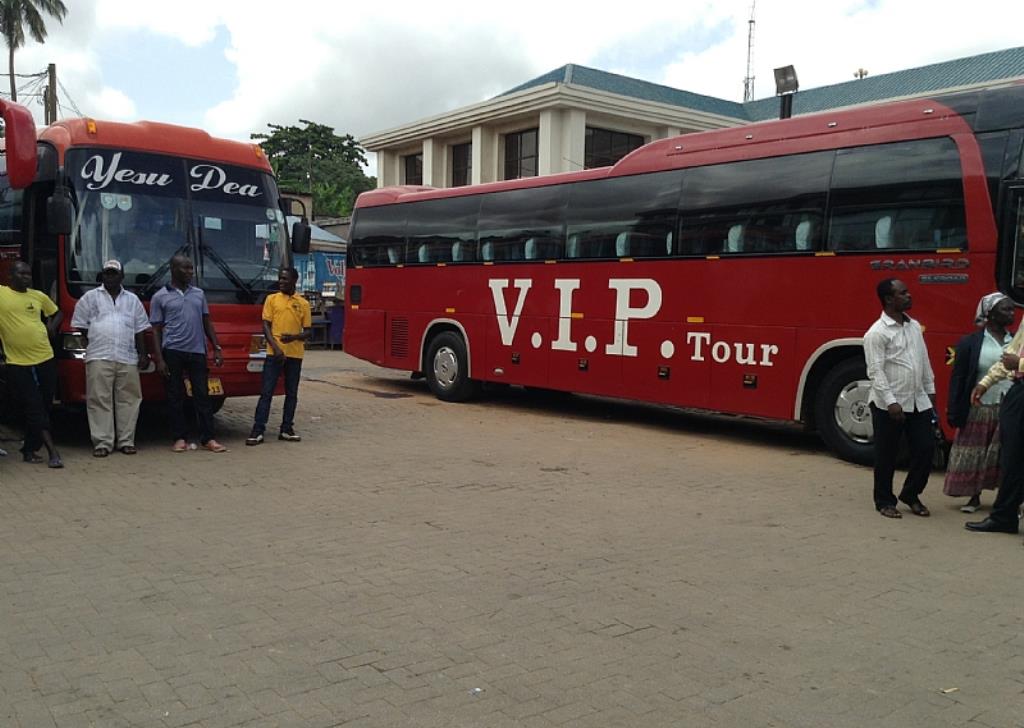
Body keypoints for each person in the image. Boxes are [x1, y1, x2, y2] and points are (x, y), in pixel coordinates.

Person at [863, 278, 936, 519]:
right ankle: (884, 501)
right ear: (888, 299)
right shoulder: (877, 333)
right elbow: (875, 370)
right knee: (887, 454)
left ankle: (911, 494)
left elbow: (923, 360)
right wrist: (890, 401)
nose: (908, 295)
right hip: (889, 404)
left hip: (918, 400)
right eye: (902, 293)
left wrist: (930, 391)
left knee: (926, 449)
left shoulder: (913, 326)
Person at [71, 259, 153, 457]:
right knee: (99, 400)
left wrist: (143, 354)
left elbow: (140, 329)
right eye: (107, 273)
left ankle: (126, 441)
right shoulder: (90, 298)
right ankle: (102, 443)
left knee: (129, 400)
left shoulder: (132, 300)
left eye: (113, 273)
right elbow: (81, 325)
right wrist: (97, 337)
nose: (109, 276)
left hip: (127, 356)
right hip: (99, 355)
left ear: (122, 276)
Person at [944, 293, 1015, 511]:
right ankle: (973, 496)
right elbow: (959, 378)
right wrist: (954, 409)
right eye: (1006, 309)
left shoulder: (1016, 341)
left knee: (1007, 454)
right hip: (980, 406)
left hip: (1009, 406)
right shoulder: (970, 343)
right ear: (990, 314)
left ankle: (1007, 501)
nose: (1012, 313)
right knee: (976, 452)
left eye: (1012, 309)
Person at [149, 254, 227, 453]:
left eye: (191, 268)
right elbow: (156, 330)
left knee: (202, 395)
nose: (190, 272)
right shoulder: (160, 297)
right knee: (175, 396)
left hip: (197, 351)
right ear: (173, 269)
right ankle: (179, 438)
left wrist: (216, 347)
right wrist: (159, 359)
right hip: (172, 351)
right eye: (185, 268)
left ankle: (208, 438)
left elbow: (206, 322)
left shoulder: (199, 294)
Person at [0, 261, 63, 468]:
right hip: (17, 362)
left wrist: (51, 327)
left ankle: (29, 449)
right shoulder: (2, 294)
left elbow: (57, 313)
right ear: (10, 276)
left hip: (45, 357)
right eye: (21, 273)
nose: (26, 277)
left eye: (28, 274)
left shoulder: (38, 296)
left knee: (44, 405)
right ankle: (53, 452)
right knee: (34, 406)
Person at [965, 316, 1024, 534]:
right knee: (1012, 459)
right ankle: (1004, 517)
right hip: (1019, 391)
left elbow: (1016, 360)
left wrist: (1020, 364)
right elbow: (1012, 353)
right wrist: (986, 382)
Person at [246, 268, 311, 445]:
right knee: (266, 392)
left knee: (292, 393)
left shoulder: (303, 303)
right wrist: (275, 348)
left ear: (294, 281)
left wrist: (294, 337)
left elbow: (308, 331)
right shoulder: (272, 299)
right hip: (274, 354)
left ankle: (287, 429)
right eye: (280, 278)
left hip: (295, 354)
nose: (281, 282)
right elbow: (265, 326)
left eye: (285, 279)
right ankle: (258, 430)